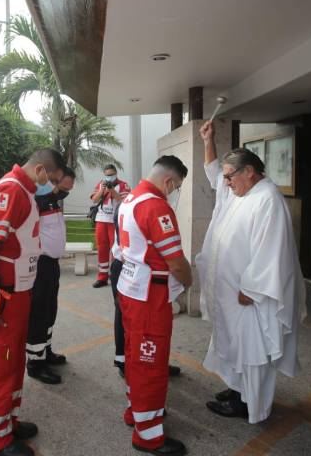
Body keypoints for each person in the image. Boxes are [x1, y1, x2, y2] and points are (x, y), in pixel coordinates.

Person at [196, 120, 303, 424]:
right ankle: (236, 388)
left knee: (251, 350)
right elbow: (215, 175)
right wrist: (208, 142)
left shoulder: (268, 199)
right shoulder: (241, 190)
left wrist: (251, 289)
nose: (225, 183)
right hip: (232, 293)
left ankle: (249, 404)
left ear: (250, 172)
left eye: (230, 177)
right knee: (233, 344)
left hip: (250, 296)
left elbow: (272, 252)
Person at [0, 148, 65, 456]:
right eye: (52, 179)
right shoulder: (10, 190)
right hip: (0, 295)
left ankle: (8, 420)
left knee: (12, 362)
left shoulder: (25, 192)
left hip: (18, 292)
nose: (52, 187)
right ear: (40, 170)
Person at [117, 155, 192, 456]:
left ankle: (136, 411)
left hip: (131, 289)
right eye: (177, 187)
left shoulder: (130, 199)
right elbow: (176, 262)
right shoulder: (155, 205)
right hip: (149, 297)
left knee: (135, 355)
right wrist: (188, 281)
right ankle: (148, 435)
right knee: (151, 363)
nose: (174, 193)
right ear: (169, 181)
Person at [110, 202, 181, 380]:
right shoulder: (143, 206)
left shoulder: (130, 203)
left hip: (129, 266)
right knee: (130, 318)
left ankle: (151, 361)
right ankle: (125, 361)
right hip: (129, 267)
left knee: (135, 320)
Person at [25, 166, 75, 385]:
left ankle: (45, 350)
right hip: (40, 264)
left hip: (52, 264)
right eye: (65, 187)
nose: (66, 192)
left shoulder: (54, 200)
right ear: (55, 180)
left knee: (49, 310)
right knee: (38, 312)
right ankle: (35, 363)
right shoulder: (37, 199)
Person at [90, 164, 130, 288]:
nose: (109, 177)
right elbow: (94, 200)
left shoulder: (123, 185)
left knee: (116, 250)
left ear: (116, 173)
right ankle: (102, 277)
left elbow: (124, 201)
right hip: (101, 220)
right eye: (107, 175)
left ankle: (115, 275)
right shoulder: (100, 184)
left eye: (111, 175)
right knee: (102, 248)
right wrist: (102, 190)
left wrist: (112, 190)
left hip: (115, 222)